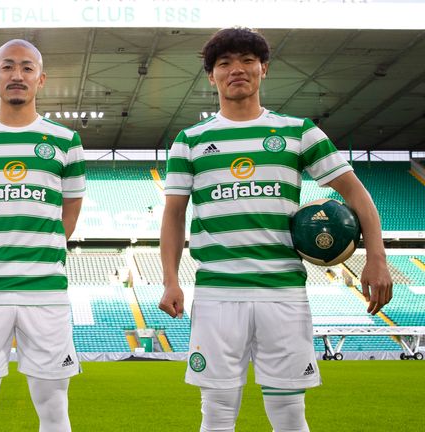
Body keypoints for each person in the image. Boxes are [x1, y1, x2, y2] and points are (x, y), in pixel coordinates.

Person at [159, 27, 392, 432]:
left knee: (288, 414)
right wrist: (169, 280)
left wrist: (377, 256)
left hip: (282, 292)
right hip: (218, 292)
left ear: (264, 69)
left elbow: (356, 192)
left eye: (248, 61)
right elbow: (174, 216)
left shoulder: (297, 132)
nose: (237, 70)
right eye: (225, 63)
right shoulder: (190, 141)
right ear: (211, 76)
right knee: (216, 413)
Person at [0, 39, 85, 432]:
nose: (17, 75)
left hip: (46, 292)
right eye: (8, 67)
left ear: (41, 78)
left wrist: (45, 248)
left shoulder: (66, 142)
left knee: (54, 407)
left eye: (27, 67)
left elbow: (70, 211)